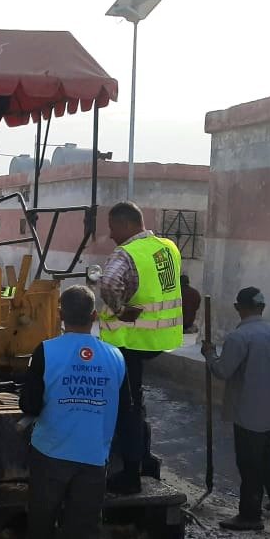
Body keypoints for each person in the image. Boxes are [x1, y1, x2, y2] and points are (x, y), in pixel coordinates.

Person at [18, 285, 129, 539]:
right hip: (94, 457)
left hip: (50, 453)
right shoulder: (115, 356)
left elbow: (30, 405)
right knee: (84, 529)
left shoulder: (46, 350)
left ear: (59, 315)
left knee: (42, 522)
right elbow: (125, 408)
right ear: (94, 316)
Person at [98, 201, 183, 494]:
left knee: (127, 407)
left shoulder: (126, 253)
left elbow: (108, 283)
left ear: (125, 225)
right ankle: (146, 459)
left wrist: (120, 310)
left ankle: (130, 474)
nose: (110, 235)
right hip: (161, 338)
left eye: (112, 228)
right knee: (138, 397)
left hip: (131, 341)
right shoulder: (167, 247)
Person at [202, 288, 270, 531]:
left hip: (247, 410)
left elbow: (222, 371)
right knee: (265, 453)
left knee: (249, 463)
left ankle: (250, 515)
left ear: (239, 307)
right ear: (262, 307)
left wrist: (209, 355)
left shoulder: (240, 337)